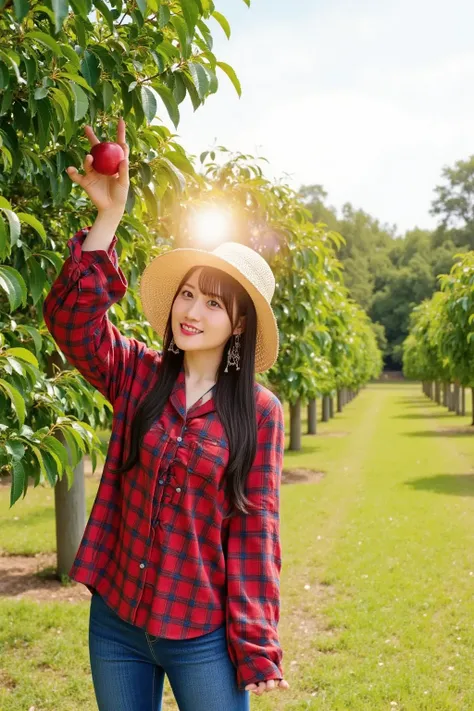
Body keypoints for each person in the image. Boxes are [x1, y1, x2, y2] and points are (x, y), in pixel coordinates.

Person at [43, 118, 289, 711]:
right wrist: (109, 217)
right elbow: (71, 325)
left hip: (201, 634)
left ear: (239, 325)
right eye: (187, 294)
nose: (192, 310)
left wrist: (255, 644)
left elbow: (256, 531)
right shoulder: (139, 373)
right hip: (118, 621)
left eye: (213, 302)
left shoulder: (260, 413)